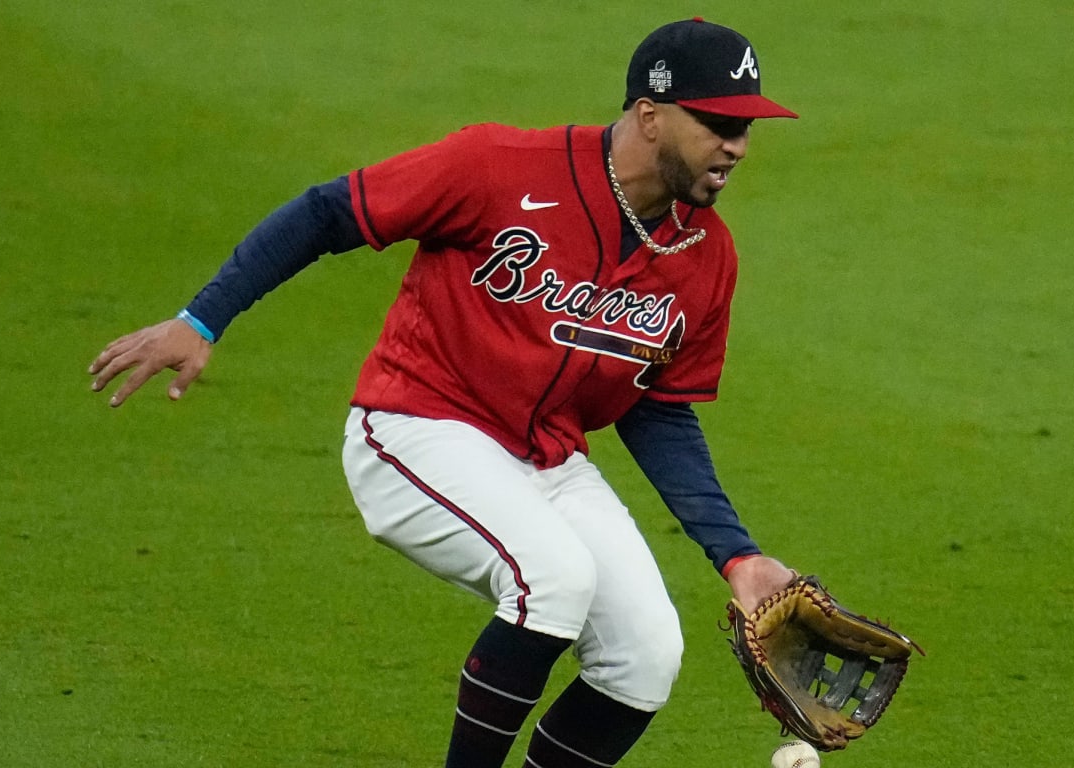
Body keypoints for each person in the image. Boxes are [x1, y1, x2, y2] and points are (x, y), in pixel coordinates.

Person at [88, 17, 800, 768]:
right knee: (553, 579)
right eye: (718, 124)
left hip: (545, 460)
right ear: (650, 116)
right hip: (415, 428)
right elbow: (331, 211)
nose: (737, 146)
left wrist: (737, 557)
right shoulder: (497, 165)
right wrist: (202, 319)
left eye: (747, 128)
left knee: (645, 656)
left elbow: (657, 407)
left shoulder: (705, 254)